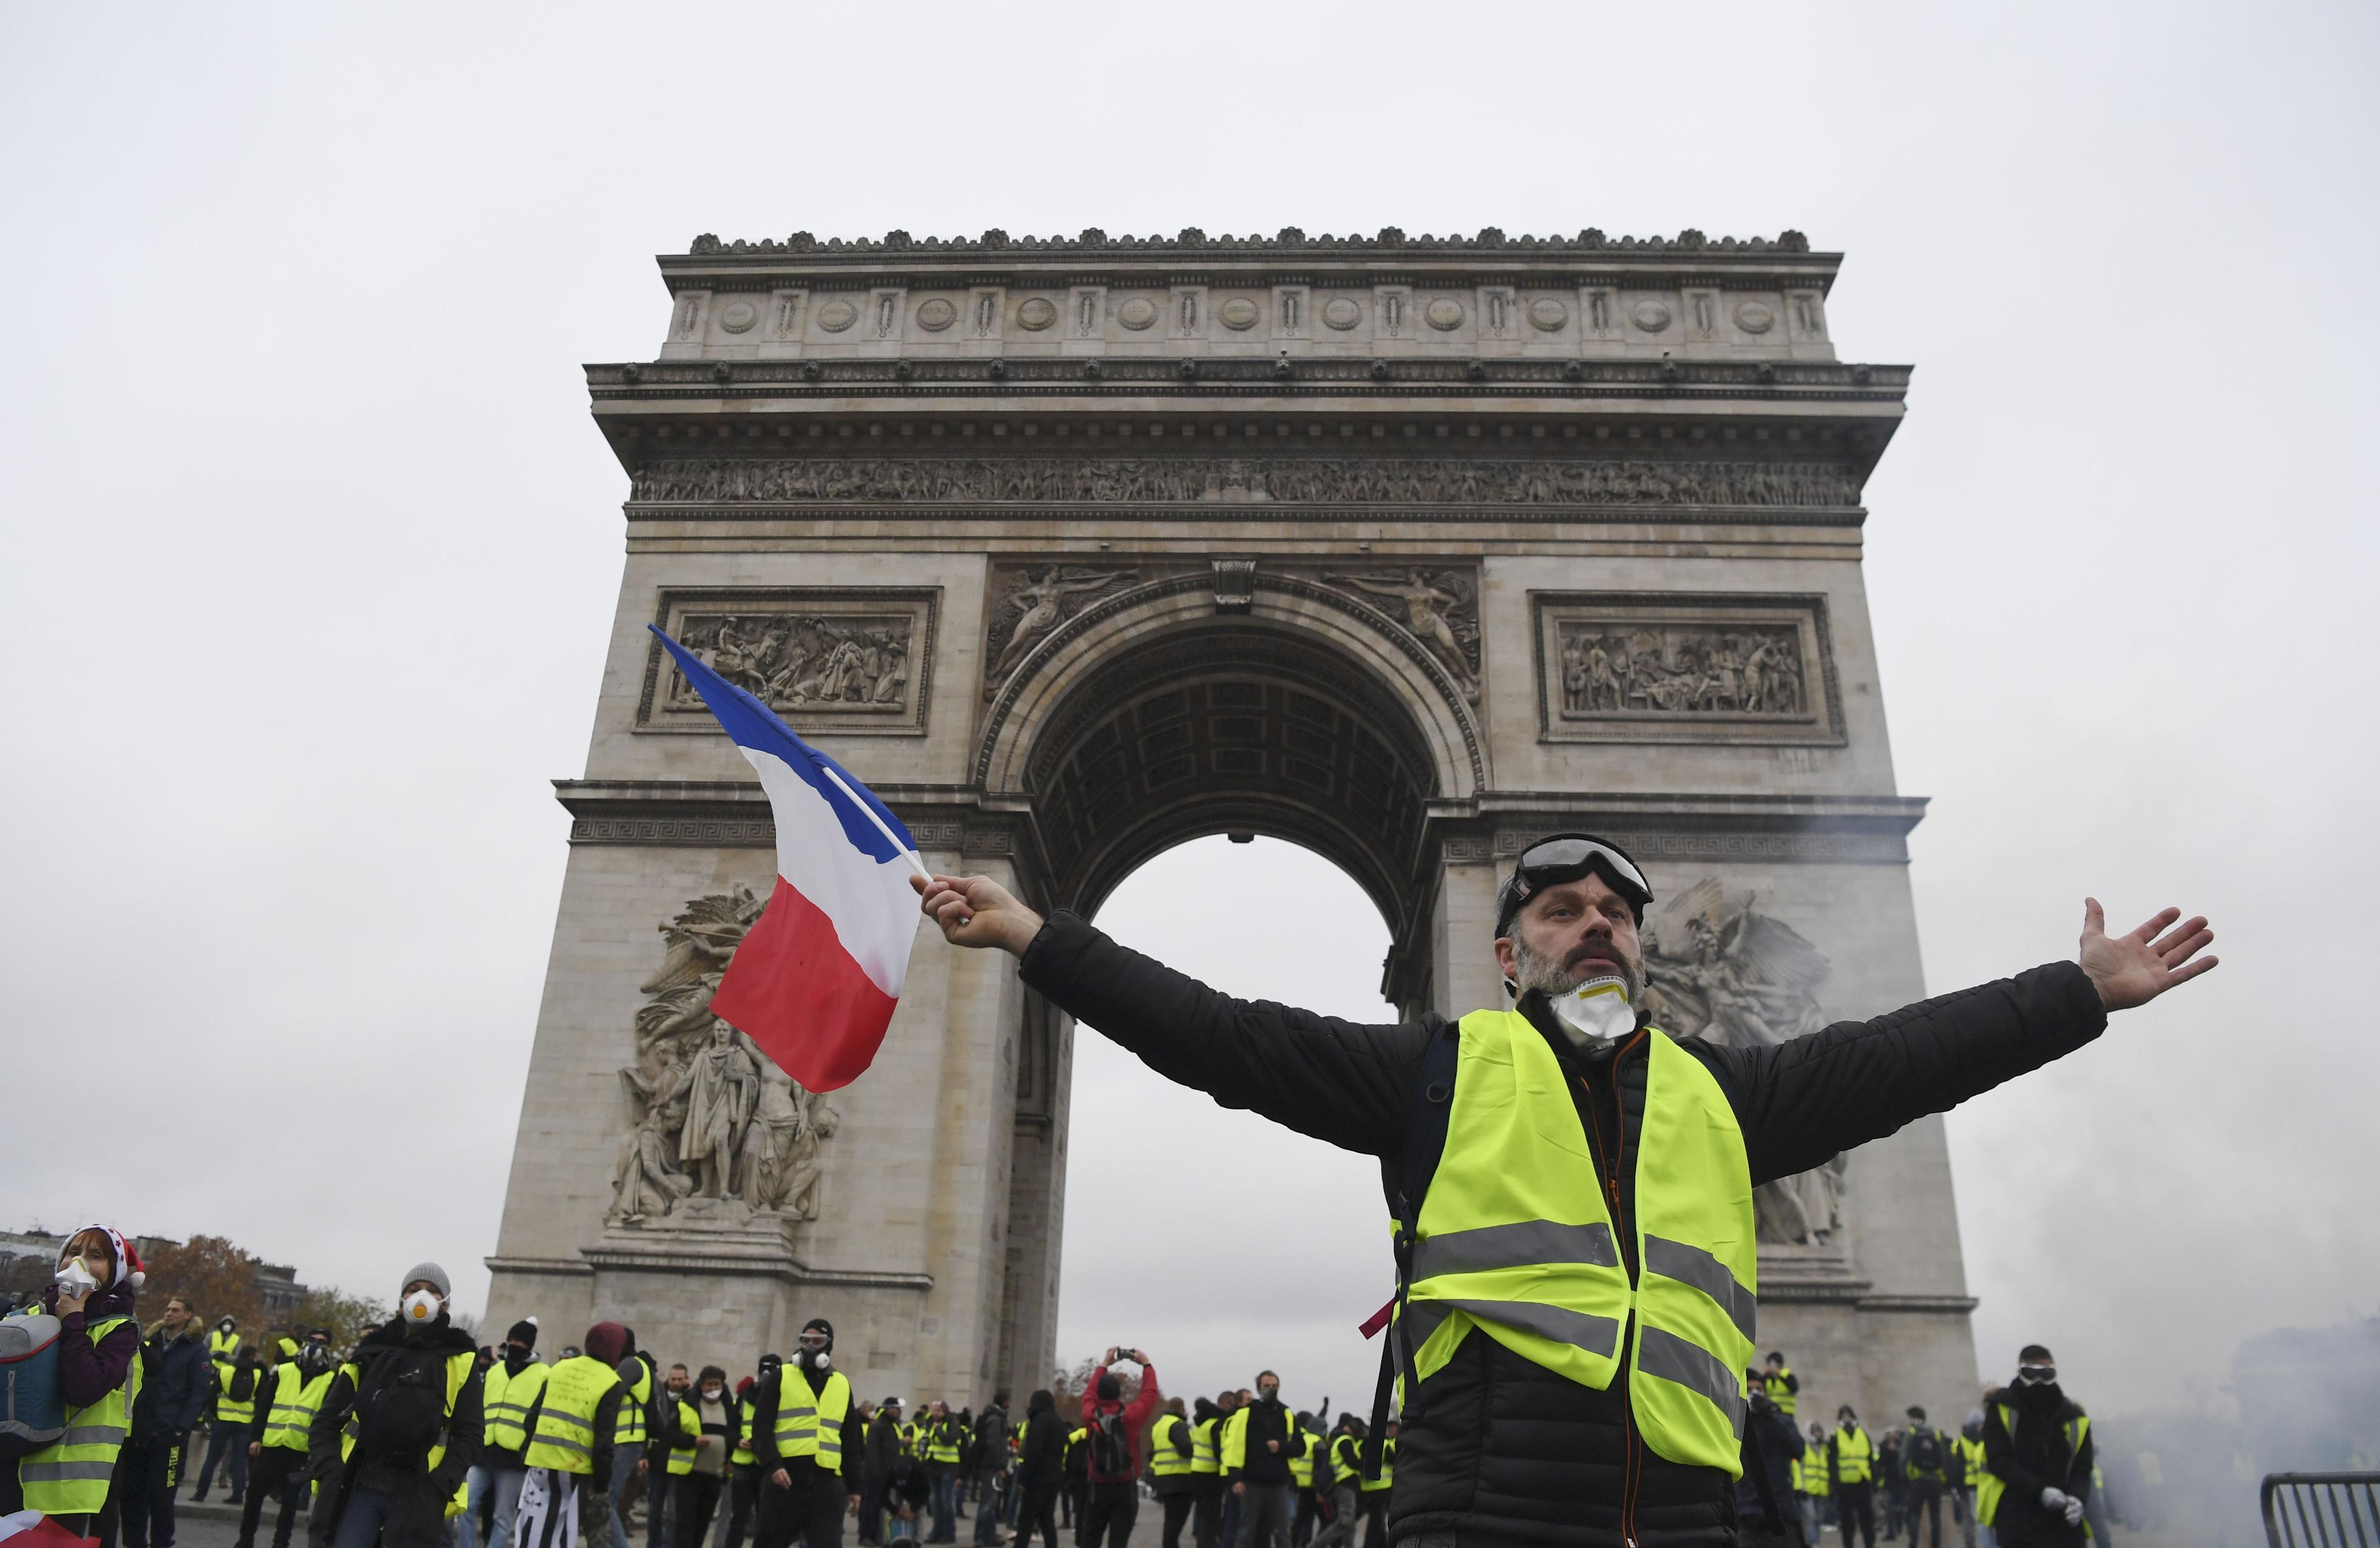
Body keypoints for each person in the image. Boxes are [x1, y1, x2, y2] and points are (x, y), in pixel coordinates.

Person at [911, 842, 2216, 1548]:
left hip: (1689, 1519)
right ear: (1503, 951)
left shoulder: (1728, 1097)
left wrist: (2077, 990)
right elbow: (1226, 1037)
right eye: (1557, 910)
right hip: (1486, 1517)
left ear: (1647, 946)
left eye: (1615, 910)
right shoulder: (1437, 1070)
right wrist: (1034, 934)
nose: (1592, 923)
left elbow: (1898, 1059)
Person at [304, 1262, 482, 1548]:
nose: (422, 1297)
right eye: (414, 1290)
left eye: (433, 1292)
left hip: (419, 1493)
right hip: (358, 1487)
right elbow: (326, 1421)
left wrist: (439, 1485)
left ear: (446, 1304)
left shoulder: (461, 1360)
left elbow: (471, 1434)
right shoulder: (369, 1354)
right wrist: (330, 1468)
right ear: (401, 1300)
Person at [5, 1225, 146, 1542]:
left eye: (95, 1256)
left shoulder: (120, 1329)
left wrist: (73, 1319)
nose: (79, 1262)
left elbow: (83, 1388)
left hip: (63, 1490)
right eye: (73, 1252)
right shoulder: (29, 1316)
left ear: (115, 1272)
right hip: (10, 1476)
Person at [515, 1321, 630, 1548]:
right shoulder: (611, 1381)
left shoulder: (559, 1368)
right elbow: (604, 1441)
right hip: (574, 1470)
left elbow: (532, 1417)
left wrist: (528, 1449)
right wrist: (602, 1483)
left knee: (531, 1526)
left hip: (538, 1464)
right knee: (561, 1534)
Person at [749, 1318, 860, 1548]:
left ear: (828, 1346)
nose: (810, 1346)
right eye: (805, 1341)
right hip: (785, 1481)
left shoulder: (841, 1383)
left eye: (817, 1341)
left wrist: (855, 1487)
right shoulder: (782, 1376)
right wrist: (772, 1465)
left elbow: (850, 1438)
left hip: (827, 1485)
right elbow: (761, 1425)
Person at [122, 1293, 212, 1548]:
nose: (169, 1313)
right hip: (140, 1429)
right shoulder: (151, 1342)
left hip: (168, 1434)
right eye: (168, 1309)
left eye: (176, 1310)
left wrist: (181, 1427)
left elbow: (198, 1393)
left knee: (161, 1499)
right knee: (131, 1496)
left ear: (187, 1316)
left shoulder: (196, 1351)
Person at [1978, 1347, 2091, 1548]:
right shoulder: (2001, 1409)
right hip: (2019, 1520)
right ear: (2020, 1372)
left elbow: (2082, 1469)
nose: (2039, 1382)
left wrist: (2078, 1497)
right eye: (2031, 1374)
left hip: (2064, 1523)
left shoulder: (2075, 1418)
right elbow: (1999, 1460)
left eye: (2046, 1374)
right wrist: (2040, 1491)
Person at [239, 1329, 338, 1548]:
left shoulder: (330, 1378)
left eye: (322, 1342)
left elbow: (327, 1416)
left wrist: (318, 1448)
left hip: (301, 1450)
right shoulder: (284, 1370)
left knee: (290, 1503)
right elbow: (264, 1405)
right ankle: (245, 1540)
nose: (315, 1345)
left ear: (328, 1348)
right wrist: (256, 1437)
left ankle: (281, 1543)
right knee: (254, 1496)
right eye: (312, 1340)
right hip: (272, 1444)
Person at [467, 1320, 549, 1548]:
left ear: (530, 1344)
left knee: (502, 1518)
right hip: (484, 1450)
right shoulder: (495, 1371)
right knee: (465, 1506)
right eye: (512, 1340)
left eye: (520, 1341)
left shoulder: (544, 1374)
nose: (515, 1345)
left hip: (514, 1457)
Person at [1077, 1348, 1160, 1548]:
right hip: (1125, 1486)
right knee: (1118, 1541)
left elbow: (1088, 1394)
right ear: (1118, 1393)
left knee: (1091, 1538)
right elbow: (1150, 1394)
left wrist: (1103, 1365)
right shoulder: (1130, 1417)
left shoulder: (1091, 1415)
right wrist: (1147, 1365)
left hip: (1098, 1485)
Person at [1220, 1372, 1294, 1548]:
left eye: (1274, 1386)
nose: (1271, 1389)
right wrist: (1235, 1477)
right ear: (1259, 1388)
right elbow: (1233, 1448)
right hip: (1252, 1482)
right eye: (1267, 1386)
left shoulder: (1286, 1414)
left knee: (1281, 1533)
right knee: (1246, 1532)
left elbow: (1298, 1446)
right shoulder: (1245, 1415)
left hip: (1279, 1482)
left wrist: (1282, 1447)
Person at [1737, 1370, 1804, 1545]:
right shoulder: (1735, 1423)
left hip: (1781, 1511)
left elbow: (1798, 1449)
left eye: (1759, 1389)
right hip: (1747, 1514)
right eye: (1749, 1390)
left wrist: (1772, 1415)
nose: (1755, 1394)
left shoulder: (1779, 1421)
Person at [720, 1359, 781, 1548]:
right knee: (738, 1518)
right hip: (743, 1465)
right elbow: (730, 1429)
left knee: (767, 1521)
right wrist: (737, 1441)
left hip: (769, 1467)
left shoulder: (783, 1399)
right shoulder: (744, 1398)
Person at [607, 1332, 659, 1548]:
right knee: (608, 1501)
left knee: (607, 1502)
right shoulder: (637, 1364)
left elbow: (612, 1395)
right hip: (628, 1441)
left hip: (625, 1440)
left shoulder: (630, 1364)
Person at [652, 1365, 701, 1548]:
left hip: (678, 1466)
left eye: (681, 1379)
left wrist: (691, 1392)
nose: (676, 1383)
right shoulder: (660, 1399)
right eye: (674, 1379)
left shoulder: (691, 1400)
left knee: (673, 1514)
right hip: (657, 1463)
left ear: (687, 1380)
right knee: (654, 1513)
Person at [1008, 1392, 1062, 1548]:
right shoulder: (1057, 1422)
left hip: (1037, 1479)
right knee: (1047, 1520)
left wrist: (1024, 1479)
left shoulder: (1039, 1421)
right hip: (1054, 1477)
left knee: (1026, 1521)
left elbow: (1034, 1451)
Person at [1303, 1419, 1363, 1548]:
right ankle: (1315, 1545)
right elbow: (1352, 1462)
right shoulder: (1345, 1441)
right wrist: (1366, 1464)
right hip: (1346, 1484)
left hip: (1342, 1485)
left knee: (1350, 1525)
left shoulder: (1336, 1440)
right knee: (1345, 1521)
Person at [1148, 1397, 1195, 1548]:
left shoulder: (1159, 1426)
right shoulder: (1178, 1425)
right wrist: (1196, 1446)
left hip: (1163, 1478)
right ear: (1182, 1409)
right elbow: (1185, 1448)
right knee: (1176, 1522)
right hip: (1180, 1479)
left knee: (1171, 1520)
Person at [1828, 1407, 1877, 1548]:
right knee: (1847, 1522)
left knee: (1867, 1520)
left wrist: (1874, 1479)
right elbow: (1832, 1461)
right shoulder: (1836, 1436)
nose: (1846, 1418)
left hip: (1863, 1482)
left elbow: (1870, 1458)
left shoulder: (1863, 1434)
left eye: (1848, 1415)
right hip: (1845, 1485)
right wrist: (1835, 1483)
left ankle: (1870, 1545)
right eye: (1843, 1416)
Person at [857, 1395, 903, 1547]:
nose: (899, 1412)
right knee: (869, 1506)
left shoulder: (890, 1426)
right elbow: (872, 1452)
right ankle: (865, 1535)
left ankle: (876, 1535)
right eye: (896, 1409)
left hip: (886, 1474)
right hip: (875, 1475)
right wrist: (875, 1473)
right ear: (888, 1409)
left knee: (878, 1507)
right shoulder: (878, 1426)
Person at [1902, 1406, 1949, 1548]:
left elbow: (1903, 1457)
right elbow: (1943, 1457)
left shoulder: (1911, 1432)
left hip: (1917, 1480)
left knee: (1915, 1514)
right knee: (1935, 1517)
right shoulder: (1936, 1433)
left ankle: (1914, 1543)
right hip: (1935, 1480)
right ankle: (1936, 1545)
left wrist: (1905, 1475)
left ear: (1913, 1417)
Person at [969, 1391, 1009, 1547]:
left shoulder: (995, 1417)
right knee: (987, 1501)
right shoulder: (995, 1419)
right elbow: (993, 1443)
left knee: (991, 1502)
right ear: (1004, 1402)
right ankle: (980, 1537)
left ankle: (990, 1535)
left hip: (991, 1464)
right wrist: (999, 1466)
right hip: (991, 1466)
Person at [1186, 1398, 1224, 1548]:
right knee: (1211, 1516)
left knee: (1202, 1512)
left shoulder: (1199, 1425)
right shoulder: (1214, 1424)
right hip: (1210, 1473)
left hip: (1196, 1470)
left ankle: (1203, 1543)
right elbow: (1217, 1451)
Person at [1355, 1422, 1393, 1548]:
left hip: (1365, 1489)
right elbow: (1395, 1461)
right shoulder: (1385, 1444)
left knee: (1377, 1523)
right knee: (1376, 1524)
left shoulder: (1360, 1444)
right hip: (1381, 1489)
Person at [1953, 1412, 1987, 1548]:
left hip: (1967, 1485)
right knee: (1983, 1519)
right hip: (1985, 1483)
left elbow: (1957, 1466)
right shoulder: (1985, 1438)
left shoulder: (1961, 1441)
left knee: (1969, 1518)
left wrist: (1957, 1486)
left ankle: (1971, 1544)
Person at [1797, 1424, 1831, 1545]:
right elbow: (1800, 1468)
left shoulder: (1825, 1448)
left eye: (1819, 1431)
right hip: (1808, 1489)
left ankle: (1816, 1541)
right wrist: (1802, 1487)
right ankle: (1813, 1543)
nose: (1818, 1434)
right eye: (1815, 1431)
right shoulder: (1805, 1447)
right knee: (1810, 1517)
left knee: (1819, 1519)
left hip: (1822, 1489)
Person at [1764, 1355, 1799, 1426]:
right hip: (1770, 1413)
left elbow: (1794, 1388)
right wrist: (1765, 1376)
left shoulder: (1788, 1376)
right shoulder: (1767, 1378)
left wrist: (1780, 1375)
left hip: (1786, 1413)